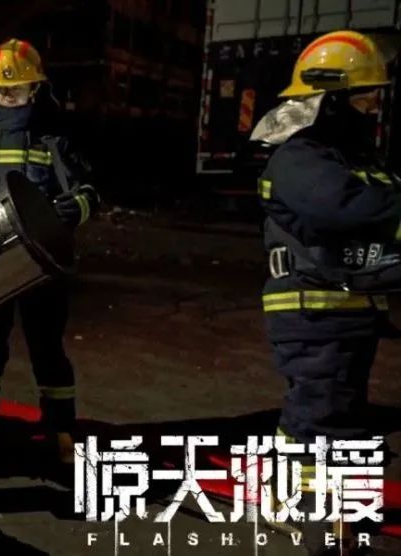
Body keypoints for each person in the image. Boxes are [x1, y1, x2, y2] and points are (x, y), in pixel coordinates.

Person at [252, 30, 401, 553]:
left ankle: (284, 496)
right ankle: (327, 528)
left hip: (344, 308)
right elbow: (353, 210)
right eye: (363, 96)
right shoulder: (301, 159)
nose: (374, 106)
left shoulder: (348, 155)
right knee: (326, 416)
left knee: (319, 411)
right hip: (312, 309)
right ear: (331, 100)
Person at [0, 39, 99, 464]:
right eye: (2, 90)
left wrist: (73, 208)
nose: (9, 96)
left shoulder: (54, 140)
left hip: (42, 263)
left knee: (47, 347)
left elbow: (87, 191)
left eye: (18, 89)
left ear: (36, 89)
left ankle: (61, 429)